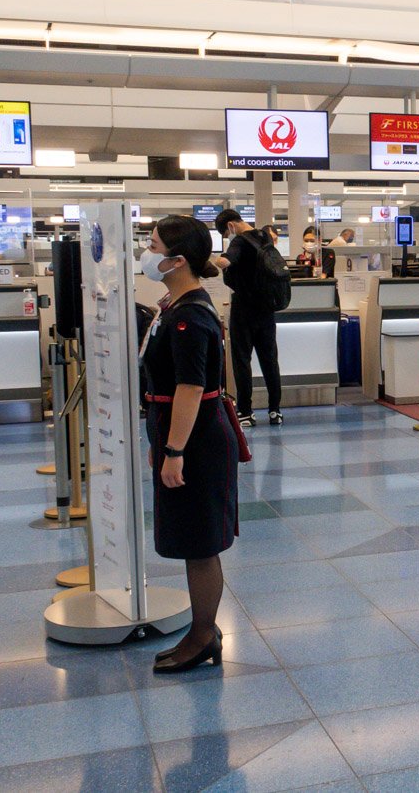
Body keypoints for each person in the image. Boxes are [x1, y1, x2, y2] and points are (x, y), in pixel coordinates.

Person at [139, 215, 238, 674]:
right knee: (191, 537)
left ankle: (203, 636)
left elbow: (191, 388)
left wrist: (174, 452)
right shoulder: (178, 306)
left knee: (200, 544)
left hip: (194, 438)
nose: (147, 250)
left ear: (176, 260)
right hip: (180, 430)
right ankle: (200, 631)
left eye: (153, 244)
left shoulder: (190, 317)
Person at [213, 209, 283, 427]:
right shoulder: (265, 237)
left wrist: (213, 260)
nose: (228, 237)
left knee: (242, 360)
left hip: (244, 310)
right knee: (270, 360)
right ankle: (275, 411)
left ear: (231, 226)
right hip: (267, 309)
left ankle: (245, 412)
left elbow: (225, 263)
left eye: (226, 233)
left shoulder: (239, 242)